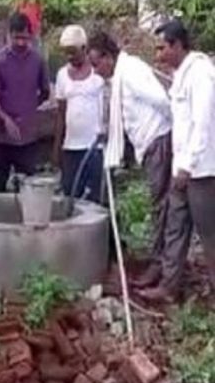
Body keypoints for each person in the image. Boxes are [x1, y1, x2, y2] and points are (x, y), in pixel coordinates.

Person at [137, 20, 215, 302]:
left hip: (202, 171)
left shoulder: (201, 73)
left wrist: (188, 165)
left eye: (162, 48)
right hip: (181, 170)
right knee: (175, 226)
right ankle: (170, 287)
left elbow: (202, 123)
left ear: (178, 45)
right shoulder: (181, 73)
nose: (158, 56)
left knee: (209, 235)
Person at [87, 31, 173, 276]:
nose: (95, 71)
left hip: (158, 141)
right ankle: (159, 264)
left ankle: (160, 268)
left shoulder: (132, 71)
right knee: (160, 204)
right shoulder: (121, 76)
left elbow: (163, 102)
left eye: (96, 64)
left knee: (162, 206)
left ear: (108, 58)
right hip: (150, 144)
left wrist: (169, 134)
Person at [0, 12, 51, 192]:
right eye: (17, 38)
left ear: (31, 36)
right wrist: (5, 119)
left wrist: (29, 110)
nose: (21, 43)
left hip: (28, 137)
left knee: (28, 188)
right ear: (8, 36)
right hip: (2, 138)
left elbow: (45, 91)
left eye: (25, 38)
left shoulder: (38, 60)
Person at [53, 25, 106, 203]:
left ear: (84, 49)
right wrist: (57, 148)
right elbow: (61, 113)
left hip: (94, 146)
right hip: (71, 147)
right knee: (70, 196)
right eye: (66, 53)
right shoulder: (62, 75)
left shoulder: (98, 74)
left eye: (73, 52)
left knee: (96, 197)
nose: (69, 57)